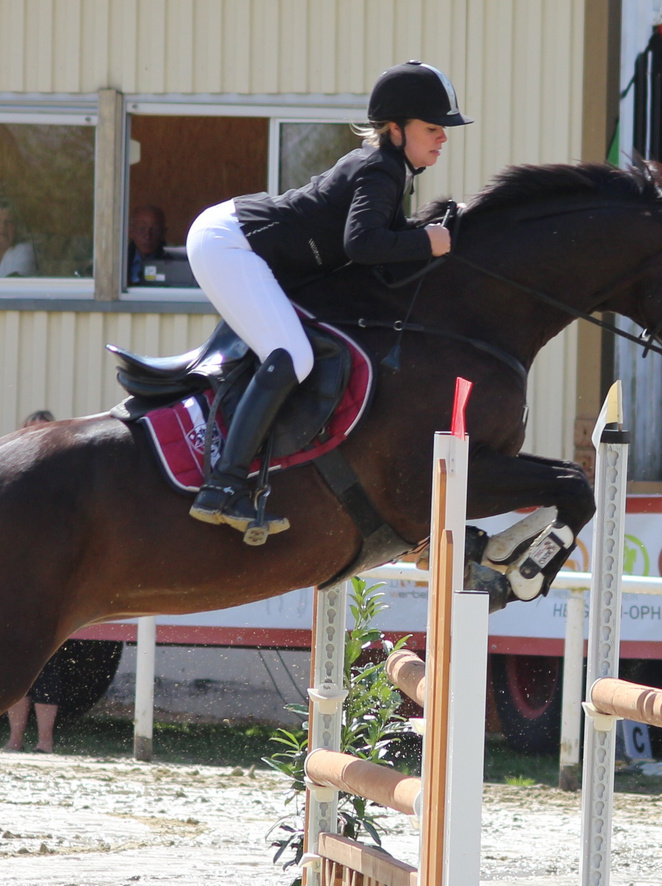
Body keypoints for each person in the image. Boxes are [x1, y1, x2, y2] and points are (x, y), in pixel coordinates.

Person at [185, 60, 469, 539]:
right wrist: (429, 241)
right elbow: (363, 244)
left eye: (444, 129)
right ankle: (224, 486)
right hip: (230, 242)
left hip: (241, 241)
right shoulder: (381, 170)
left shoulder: (392, 169)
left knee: (293, 350)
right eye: (433, 128)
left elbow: (379, 254)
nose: (443, 137)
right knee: (291, 355)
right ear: (396, 129)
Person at [5, 409, 67, 753]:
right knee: (14, 660)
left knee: (48, 660)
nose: (37, 437)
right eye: (31, 431)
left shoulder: (68, 476)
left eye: (44, 431)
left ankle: (45, 742)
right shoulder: (9, 472)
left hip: (52, 581)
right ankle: (14, 739)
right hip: (15, 579)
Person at [127, 204, 194, 286]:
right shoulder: (120, 260)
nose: (148, 236)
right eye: (142, 229)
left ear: (163, 233)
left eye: (155, 230)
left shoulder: (177, 261)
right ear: (131, 231)